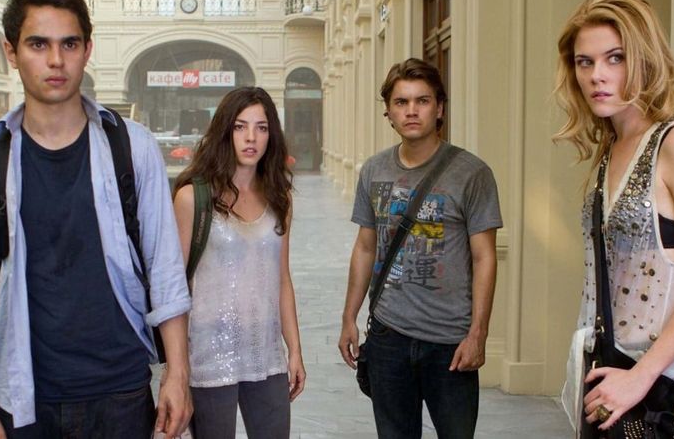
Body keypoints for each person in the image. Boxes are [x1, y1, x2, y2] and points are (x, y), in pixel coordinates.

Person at [0, 0, 193, 438]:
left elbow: (165, 266)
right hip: (22, 395)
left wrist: (178, 373)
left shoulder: (133, 147)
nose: (56, 60)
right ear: (12, 52)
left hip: (121, 392)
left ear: (87, 50)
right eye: (38, 44)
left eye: (69, 44)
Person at [554, 0, 674, 435]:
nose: (596, 75)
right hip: (610, 378)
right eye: (584, 62)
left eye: (615, 58)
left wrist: (640, 376)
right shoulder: (611, 147)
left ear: (645, 61)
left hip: (667, 393)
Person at [338, 58, 503, 438]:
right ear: (389, 112)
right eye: (401, 102)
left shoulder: (472, 173)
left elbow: (484, 257)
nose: (411, 110)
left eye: (422, 101)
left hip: (450, 341)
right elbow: (365, 247)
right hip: (388, 336)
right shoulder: (374, 170)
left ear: (439, 108)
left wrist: (478, 333)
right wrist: (349, 317)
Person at [173, 87, 305, 439]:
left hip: (265, 354)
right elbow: (176, 288)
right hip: (208, 354)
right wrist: (177, 368)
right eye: (240, 126)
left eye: (261, 128)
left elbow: (282, 279)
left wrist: (294, 350)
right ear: (225, 131)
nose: (251, 138)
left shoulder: (279, 197)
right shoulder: (192, 198)